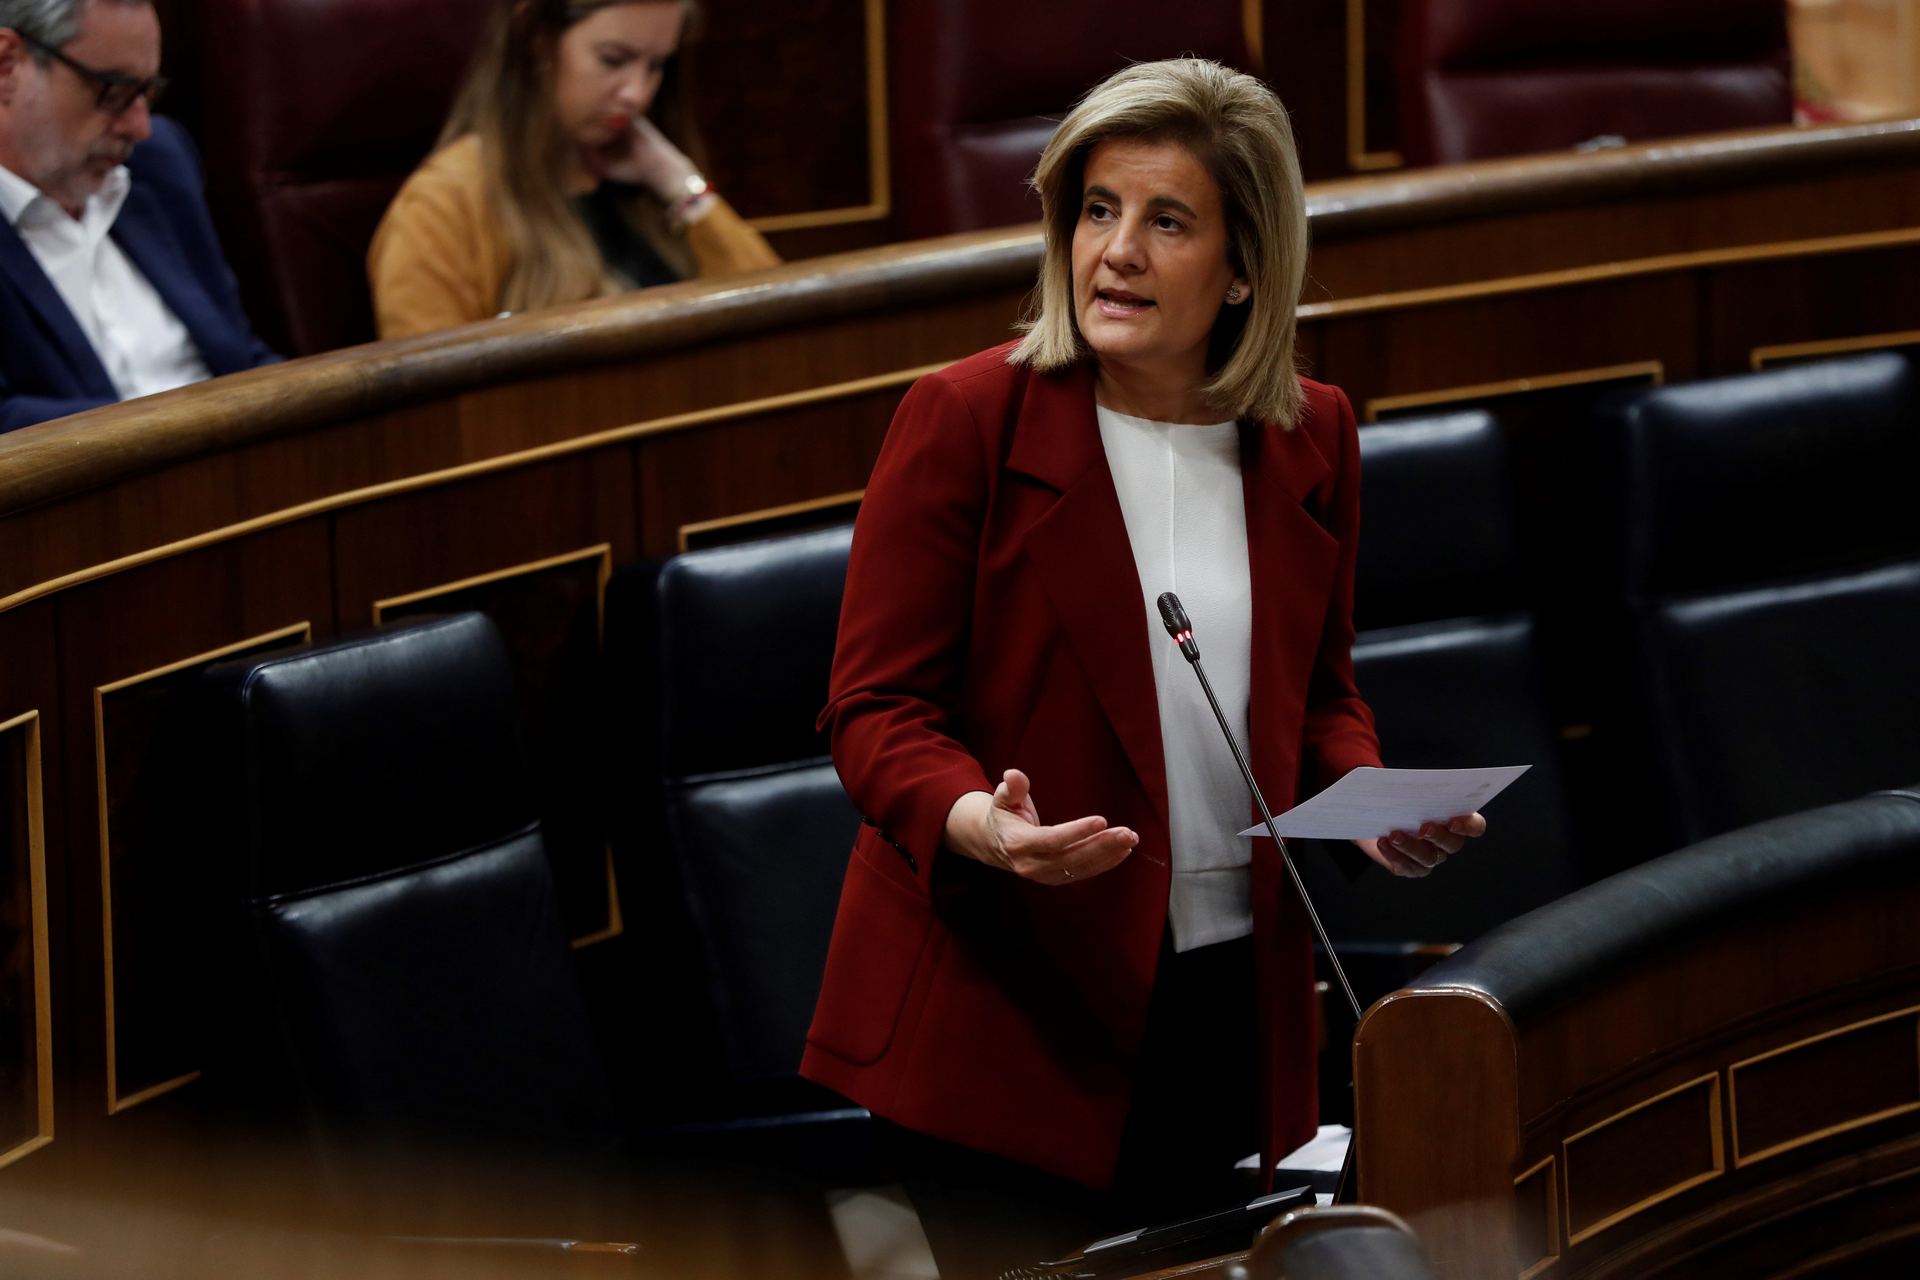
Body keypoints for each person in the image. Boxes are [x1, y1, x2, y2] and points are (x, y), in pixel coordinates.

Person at [800, 59, 1486, 1278]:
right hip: (1007, 1005)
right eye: (1098, 209)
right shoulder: (968, 418)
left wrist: (1370, 802)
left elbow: (1318, 691)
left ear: (1241, 266)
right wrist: (981, 824)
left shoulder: (1309, 430)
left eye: (1165, 220)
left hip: (1226, 1006)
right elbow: (874, 707)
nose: (1114, 250)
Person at [367, 0, 777, 340]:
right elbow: (439, 415)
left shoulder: (645, 174)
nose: (637, 93)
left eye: (656, 66)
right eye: (613, 60)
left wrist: (678, 184)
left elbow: (776, 322)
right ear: (537, 39)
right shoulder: (439, 208)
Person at [0, 0, 277, 434]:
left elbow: (240, 357)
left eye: (146, 92)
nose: (140, 127)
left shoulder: (158, 163)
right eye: (113, 91)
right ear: (7, 65)